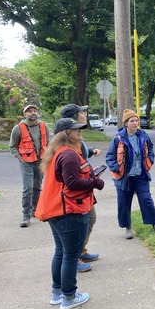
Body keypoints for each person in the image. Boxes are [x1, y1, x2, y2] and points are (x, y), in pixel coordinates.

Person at [34, 118, 105, 309]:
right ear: (66, 133)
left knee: (61, 252)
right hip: (68, 212)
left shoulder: (57, 153)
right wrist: (95, 182)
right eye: (76, 130)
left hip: (55, 210)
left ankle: (57, 293)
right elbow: (72, 183)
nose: (80, 132)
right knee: (71, 255)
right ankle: (69, 297)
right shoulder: (69, 155)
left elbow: (67, 181)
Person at [106, 109, 155, 239]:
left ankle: (154, 224)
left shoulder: (143, 135)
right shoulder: (118, 138)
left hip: (141, 176)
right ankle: (128, 228)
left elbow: (150, 149)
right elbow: (110, 156)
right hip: (124, 178)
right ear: (126, 123)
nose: (135, 123)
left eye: (136, 120)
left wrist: (150, 160)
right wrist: (116, 168)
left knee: (146, 200)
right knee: (124, 203)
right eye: (132, 121)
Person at [60, 104, 101, 273]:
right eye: (82, 112)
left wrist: (91, 151)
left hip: (84, 189)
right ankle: (74, 257)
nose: (85, 114)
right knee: (83, 222)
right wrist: (94, 182)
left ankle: (81, 252)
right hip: (74, 193)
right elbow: (71, 176)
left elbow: (82, 154)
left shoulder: (77, 135)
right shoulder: (68, 141)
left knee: (90, 219)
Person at [9, 104, 50, 228]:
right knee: (28, 188)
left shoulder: (44, 126)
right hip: (26, 162)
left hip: (40, 161)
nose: (32, 113)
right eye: (29, 111)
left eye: (34, 111)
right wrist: (21, 159)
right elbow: (12, 147)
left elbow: (47, 143)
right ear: (24, 114)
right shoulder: (18, 128)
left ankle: (34, 210)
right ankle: (25, 215)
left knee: (37, 187)